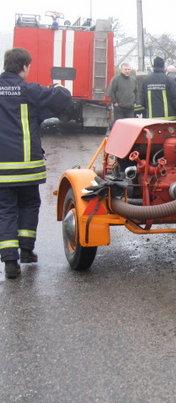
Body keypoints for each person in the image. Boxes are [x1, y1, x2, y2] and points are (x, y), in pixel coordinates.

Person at [0, 48, 72, 279]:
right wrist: (58, 87)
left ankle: (10, 262)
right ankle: (27, 251)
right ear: (23, 67)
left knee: (5, 210)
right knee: (29, 204)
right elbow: (62, 99)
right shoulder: (28, 90)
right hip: (26, 165)